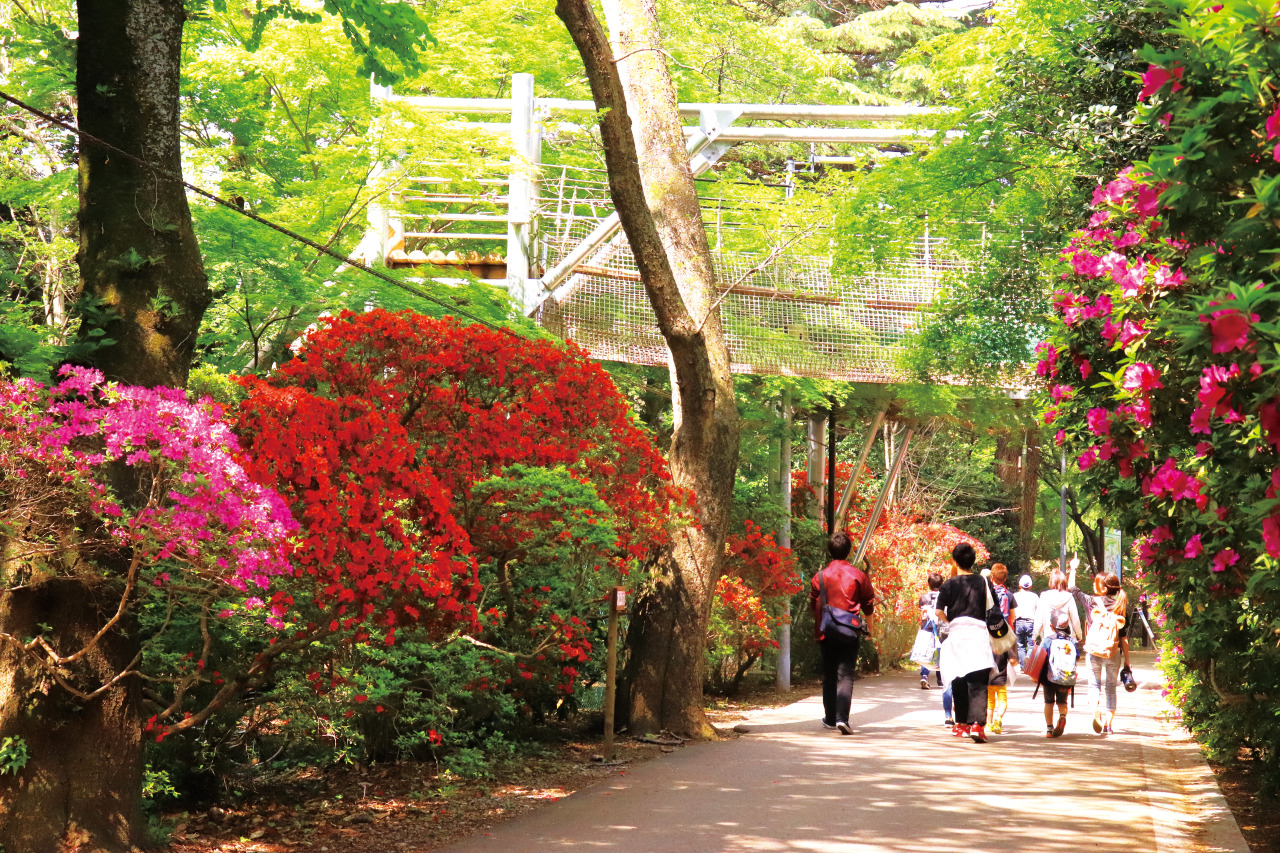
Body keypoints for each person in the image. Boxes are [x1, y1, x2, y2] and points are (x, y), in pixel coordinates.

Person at [809, 531, 876, 735]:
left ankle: (830, 718)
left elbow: (814, 602)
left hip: (827, 631)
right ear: (848, 552)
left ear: (830, 551)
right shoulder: (858, 575)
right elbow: (868, 605)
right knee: (845, 674)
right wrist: (870, 631)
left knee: (829, 674)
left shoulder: (819, 576)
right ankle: (842, 719)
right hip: (850, 631)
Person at [935, 542, 997, 743]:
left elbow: (938, 612)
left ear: (954, 560)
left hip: (957, 635)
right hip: (978, 634)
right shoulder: (983, 582)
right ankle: (977, 726)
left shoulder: (948, 584)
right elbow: (993, 608)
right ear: (973, 561)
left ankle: (961, 724)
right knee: (978, 680)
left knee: (958, 677)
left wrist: (950, 621)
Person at [1073, 567, 1132, 735]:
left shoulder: (1091, 601)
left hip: (1094, 650)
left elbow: (1072, 588)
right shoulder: (1120, 604)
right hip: (1113, 652)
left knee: (1094, 684)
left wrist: (1073, 569)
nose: (1093, 584)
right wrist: (1127, 660)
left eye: (1096, 583)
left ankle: (1095, 711)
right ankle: (1108, 724)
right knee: (1111, 687)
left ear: (1104, 588)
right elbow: (1124, 637)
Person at [1038, 610, 1077, 737]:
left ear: (1051, 625)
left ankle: (1049, 729)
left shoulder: (1048, 640)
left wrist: (1037, 677)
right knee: (1062, 701)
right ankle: (1062, 716)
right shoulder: (1071, 641)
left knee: (1049, 702)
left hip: (1049, 678)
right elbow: (1076, 657)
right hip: (1065, 677)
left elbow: (1040, 657)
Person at [1033, 569, 1081, 647]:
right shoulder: (1069, 597)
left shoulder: (1044, 596)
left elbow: (1039, 618)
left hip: (1049, 637)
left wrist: (1034, 635)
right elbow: (1075, 618)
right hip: (1067, 637)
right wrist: (1079, 634)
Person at [917, 572, 945, 690]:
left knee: (926, 653)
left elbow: (922, 614)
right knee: (941, 651)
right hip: (942, 627)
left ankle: (924, 676)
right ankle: (941, 679)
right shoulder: (944, 596)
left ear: (928, 584)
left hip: (927, 627)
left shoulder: (924, 597)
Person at [1013, 574, 1040, 667]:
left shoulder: (1015, 596)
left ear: (1019, 585)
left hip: (1019, 622)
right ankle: (1029, 662)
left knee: (1020, 645)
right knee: (1031, 644)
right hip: (1031, 622)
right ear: (1031, 586)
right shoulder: (1035, 596)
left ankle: (1023, 666)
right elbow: (1038, 611)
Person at [987, 646, 1012, 734]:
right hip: (1001, 680)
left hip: (989, 680)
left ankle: (989, 724)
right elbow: (1013, 661)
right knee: (1002, 702)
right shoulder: (1004, 647)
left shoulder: (987, 647)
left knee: (990, 703)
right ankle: (998, 718)